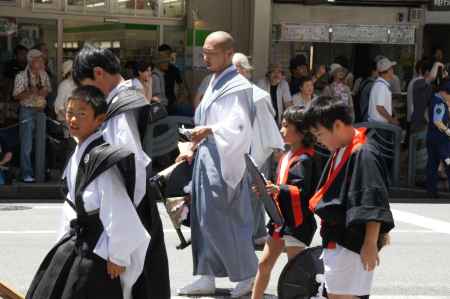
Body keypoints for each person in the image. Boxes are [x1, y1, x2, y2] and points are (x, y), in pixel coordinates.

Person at [26, 86, 150, 299]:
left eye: (81, 114)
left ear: (99, 120)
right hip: (77, 244)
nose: (73, 119)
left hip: (97, 251)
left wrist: (118, 256)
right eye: (70, 112)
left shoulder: (100, 159)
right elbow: (71, 207)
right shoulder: (80, 150)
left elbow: (118, 209)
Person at [72, 45, 170, 298]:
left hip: (130, 207)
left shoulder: (120, 107)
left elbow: (130, 165)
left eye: (88, 85)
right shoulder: (125, 98)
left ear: (99, 73)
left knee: (136, 284)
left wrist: (122, 238)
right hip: (131, 207)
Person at [176, 31, 258, 298]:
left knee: (222, 218)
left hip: (224, 157)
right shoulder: (214, 81)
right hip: (207, 154)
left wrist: (208, 131)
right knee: (202, 217)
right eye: (204, 53)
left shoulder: (238, 86)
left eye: (210, 53)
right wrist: (194, 143)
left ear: (227, 54)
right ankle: (205, 275)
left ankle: (246, 275)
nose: (205, 57)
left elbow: (239, 127)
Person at [304, 96, 395, 299]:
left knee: (342, 296)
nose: (319, 140)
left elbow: (371, 198)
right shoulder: (343, 149)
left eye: (320, 134)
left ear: (337, 125)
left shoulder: (364, 152)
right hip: (339, 240)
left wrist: (371, 241)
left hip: (351, 244)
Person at [251, 106, 318, 299]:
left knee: (296, 274)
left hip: (297, 222)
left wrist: (277, 189)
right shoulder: (287, 156)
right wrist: (267, 190)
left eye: (286, 125)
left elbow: (304, 192)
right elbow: (281, 188)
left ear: (301, 131)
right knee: (264, 265)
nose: (281, 130)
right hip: (281, 220)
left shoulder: (306, 158)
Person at [232, 52, 284, 246]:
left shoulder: (258, 96)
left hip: (254, 152)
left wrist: (277, 148)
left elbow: (267, 126)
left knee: (255, 193)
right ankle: (245, 231)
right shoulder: (228, 93)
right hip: (236, 151)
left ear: (242, 71)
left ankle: (255, 232)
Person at [13, 49, 51, 183]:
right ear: (31, 61)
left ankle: (40, 171)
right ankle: (26, 174)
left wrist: (42, 92)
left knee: (40, 142)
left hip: (40, 111)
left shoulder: (44, 75)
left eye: (42, 60)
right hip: (27, 111)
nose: (42, 63)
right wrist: (29, 92)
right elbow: (16, 96)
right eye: (39, 60)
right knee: (27, 144)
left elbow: (47, 90)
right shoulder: (21, 76)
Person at [426, 80, 450, 198]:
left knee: (432, 164)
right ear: (444, 92)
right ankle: (432, 191)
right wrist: (447, 131)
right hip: (440, 139)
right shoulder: (439, 103)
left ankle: (431, 191)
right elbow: (437, 121)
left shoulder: (435, 100)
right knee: (448, 162)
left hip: (432, 137)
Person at [368, 57, 400, 125]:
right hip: (380, 125)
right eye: (391, 68)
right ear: (388, 71)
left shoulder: (379, 84)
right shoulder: (381, 86)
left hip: (377, 124)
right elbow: (380, 108)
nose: (393, 71)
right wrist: (392, 120)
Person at [158, 44, 186, 113]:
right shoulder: (153, 70)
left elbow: (182, 87)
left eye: (167, 55)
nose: (165, 58)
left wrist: (178, 101)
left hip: (171, 104)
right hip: (157, 105)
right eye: (162, 56)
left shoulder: (174, 70)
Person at [407, 59, 433, 133]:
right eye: (429, 70)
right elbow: (427, 102)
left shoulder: (413, 81)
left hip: (412, 119)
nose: (429, 73)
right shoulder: (421, 83)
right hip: (420, 121)